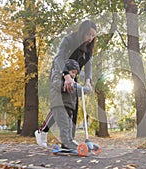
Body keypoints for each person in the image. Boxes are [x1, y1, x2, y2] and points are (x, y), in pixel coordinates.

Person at [35, 20, 97, 148]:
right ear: (82, 32)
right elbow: (59, 58)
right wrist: (66, 75)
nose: (90, 38)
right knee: (59, 105)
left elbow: (89, 66)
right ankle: (42, 131)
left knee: (71, 105)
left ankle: (69, 140)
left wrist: (88, 81)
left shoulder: (88, 48)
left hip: (73, 76)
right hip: (59, 72)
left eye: (93, 35)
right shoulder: (69, 40)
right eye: (88, 34)